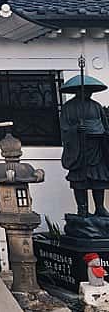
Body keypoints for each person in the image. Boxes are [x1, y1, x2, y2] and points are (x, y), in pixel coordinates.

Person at [60, 75, 109, 218]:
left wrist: (103, 133)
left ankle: (100, 207)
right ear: (77, 91)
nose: (88, 93)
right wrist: (75, 129)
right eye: (85, 90)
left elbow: (105, 126)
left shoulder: (96, 106)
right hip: (78, 149)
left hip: (96, 147)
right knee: (79, 180)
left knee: (98, 179)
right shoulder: (68, 107)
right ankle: (82, 208)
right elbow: (64, 128)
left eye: (90, 90)